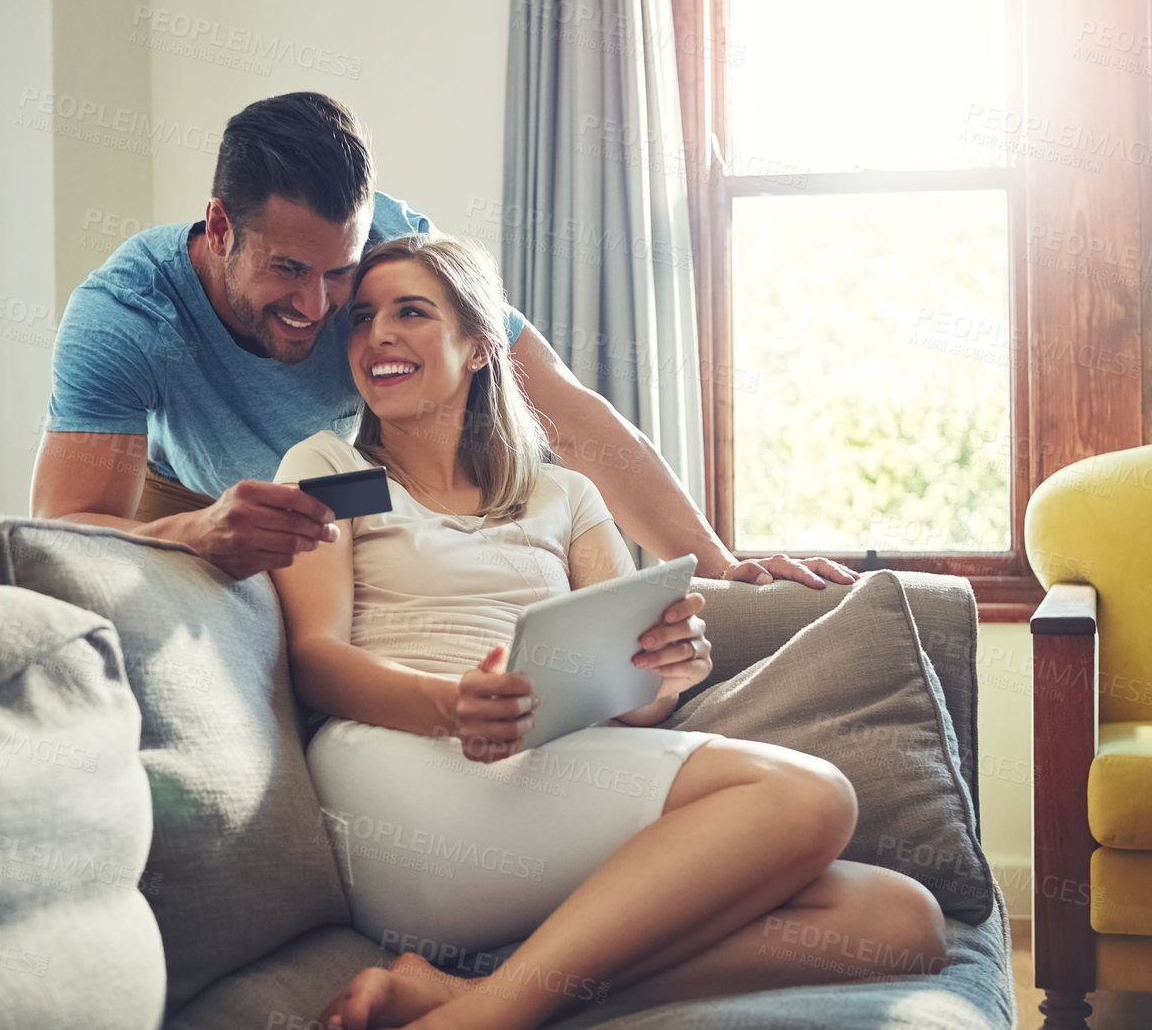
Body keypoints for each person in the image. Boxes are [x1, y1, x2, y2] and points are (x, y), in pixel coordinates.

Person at [268, 235, 946, 1030]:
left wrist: (662, 674)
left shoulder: (563, 496)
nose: (375, 333)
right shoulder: (331, 467)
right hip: (395, 777)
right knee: (812, 796)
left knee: (902, 923)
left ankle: (479, 995)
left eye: (410, 311)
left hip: (540, 778)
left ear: (480, 348)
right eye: (362, 317)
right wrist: (453, 705)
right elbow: (314, 660)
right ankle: (479, 1023)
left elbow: (630, 709)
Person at [30, 91, 857, 590]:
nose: (317, 306)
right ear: (219, 227)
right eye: (287, 269)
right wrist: (199, 533)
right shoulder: (125, 316)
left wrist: (717, 563)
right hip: (189, 491)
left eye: (340, 274)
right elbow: (64, 528)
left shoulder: (395, 245)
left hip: (336, 481)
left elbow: (564, 410)